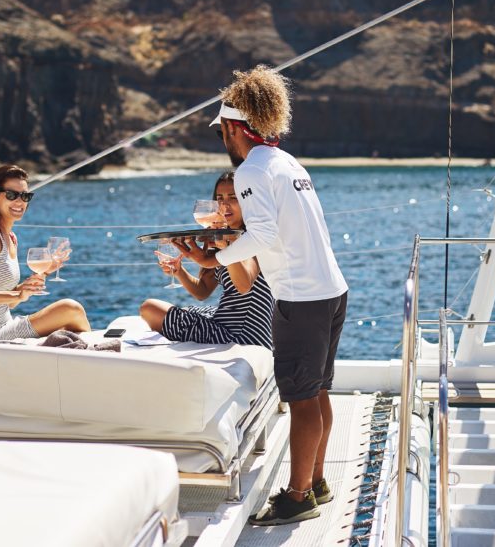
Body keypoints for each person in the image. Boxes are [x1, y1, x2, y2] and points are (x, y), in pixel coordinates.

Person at [174, 66, 348, 526]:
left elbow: (265, 233)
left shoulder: (251, 169)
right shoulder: (289, 163)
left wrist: (212, 260)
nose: (223, 143)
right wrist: (225, 250)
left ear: (233, 127)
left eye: (221, 134)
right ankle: (316, 480)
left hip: (301, 301)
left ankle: (297, 497)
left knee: (302, 399)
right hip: (332, 291)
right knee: (319, 390)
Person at [139, 171, 273, 349]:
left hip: (242, 334)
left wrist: (226, 249)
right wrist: (179, 271)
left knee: (149, 308)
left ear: (247, 200)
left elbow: (244, 285)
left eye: (233, 198)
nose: (224, 205)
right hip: (225, 320)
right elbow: (202, 291)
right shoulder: (220, 237)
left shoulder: (251, 238)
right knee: (180, 310)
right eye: (220, 198)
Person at [0, 165, 90, 341]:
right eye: (11, 195)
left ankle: (92, 356)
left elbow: (11, 302)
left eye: (25, 196)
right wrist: (19, 294)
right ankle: (98, 357)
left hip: (5, 326)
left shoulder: (10, 237)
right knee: (70, 309)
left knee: (71, 321)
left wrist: (41, 274)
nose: (20, 202)